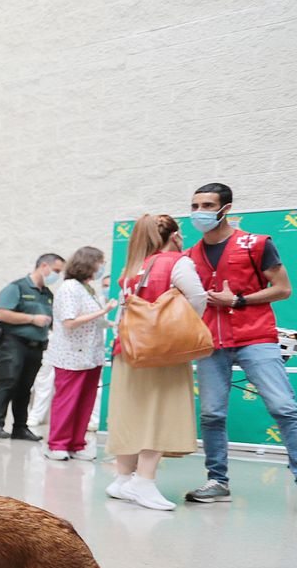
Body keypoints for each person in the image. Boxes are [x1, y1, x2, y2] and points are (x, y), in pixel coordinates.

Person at [181, 182, 297, 501]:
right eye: (195, 206)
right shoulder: (189, 257)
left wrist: (239, 301)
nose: (199, 213)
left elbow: (283, 288)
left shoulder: (257, 244)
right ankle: (217, 481)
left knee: (284, 407)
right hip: (210, 343)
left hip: (255, 336)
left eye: (206, 206)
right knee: (212, 415)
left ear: (226, 209)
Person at [107, 214, 206, 510]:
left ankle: (123, 478)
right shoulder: (178, 261)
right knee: (160, 412)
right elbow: (198, 297)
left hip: (128, 349)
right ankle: (144, 481)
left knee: (132, 413)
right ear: (174, 235)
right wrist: (185, 329)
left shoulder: (133, 267)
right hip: (161, 350)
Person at [45, 246, 117, 460]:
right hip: (71, 356)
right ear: (89, 262)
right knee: (67, 401)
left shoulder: (88, 288)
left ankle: (77, 444)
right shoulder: (69, 287)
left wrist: (114, 322)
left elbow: (95, 320)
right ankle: (57, 444)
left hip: (91, 356)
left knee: (85, 401)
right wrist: (103, 311)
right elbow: (69, 322)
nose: (102, 267)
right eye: (100, 262)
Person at [0, 252, 63, 440]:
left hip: (37, 345)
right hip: (13, 342)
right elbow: (1, 313)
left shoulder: (47, 294)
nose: (57, 275)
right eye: (55, 270)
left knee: (25, 387)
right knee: (9, 382)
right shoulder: (18, 287)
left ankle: (20, 427)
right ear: (43, 266)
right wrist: (31, 319)